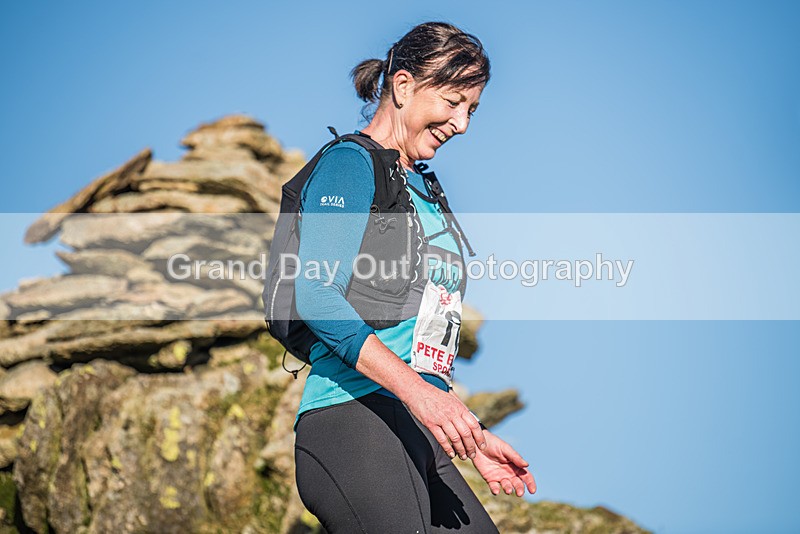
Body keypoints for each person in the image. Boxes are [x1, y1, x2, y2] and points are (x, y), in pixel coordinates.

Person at [292, 22, 536, 533]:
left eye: (471, 110)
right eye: (453, 102)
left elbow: (414, 338)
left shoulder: (422, 190)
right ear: (403, 86)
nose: (462, 124)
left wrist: (467, 432)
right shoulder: (350, 165)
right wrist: (419, 394)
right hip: (352, 420)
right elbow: (315, 293)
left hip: (418, 428)